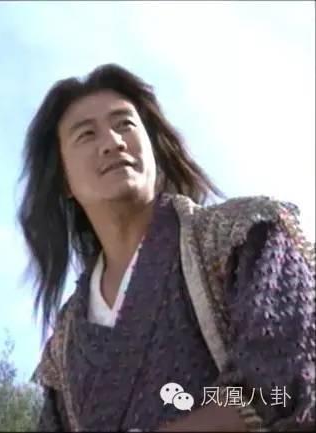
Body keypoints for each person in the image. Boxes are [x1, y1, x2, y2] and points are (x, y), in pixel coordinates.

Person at [17, 63, 315, 431]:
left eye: (125, 124)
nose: (112, 142)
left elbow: (282, 385)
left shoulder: (244, 233)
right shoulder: (63, 348)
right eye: (87, 135)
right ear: (64, 180)